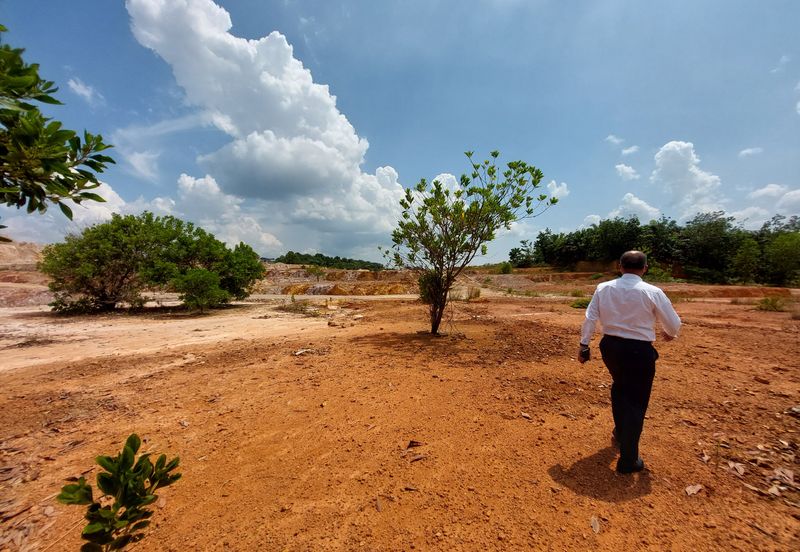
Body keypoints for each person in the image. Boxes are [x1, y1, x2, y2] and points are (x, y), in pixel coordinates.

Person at [578, 250, 681, 474]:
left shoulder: (603, 288)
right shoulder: (653, 292)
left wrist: (584, 346)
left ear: (620, 266)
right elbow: (673, 323)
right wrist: (669, 333)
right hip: (639, 351)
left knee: (620, 387)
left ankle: (620, 432)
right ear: (645, 268)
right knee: (636, 400)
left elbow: (590, 317)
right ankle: (629, 459)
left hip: (611, 347)